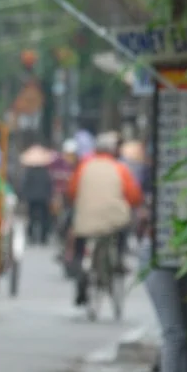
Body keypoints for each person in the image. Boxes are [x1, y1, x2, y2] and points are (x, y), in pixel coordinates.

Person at [66, 131, 144, 306]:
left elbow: (71, 192)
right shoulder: (120, 169)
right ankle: (119, 258)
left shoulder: (83, 167)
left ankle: (80, 268)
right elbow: (133, 196)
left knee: (80, 241)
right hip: (112, 221)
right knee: (122, 229)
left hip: (84, 220)